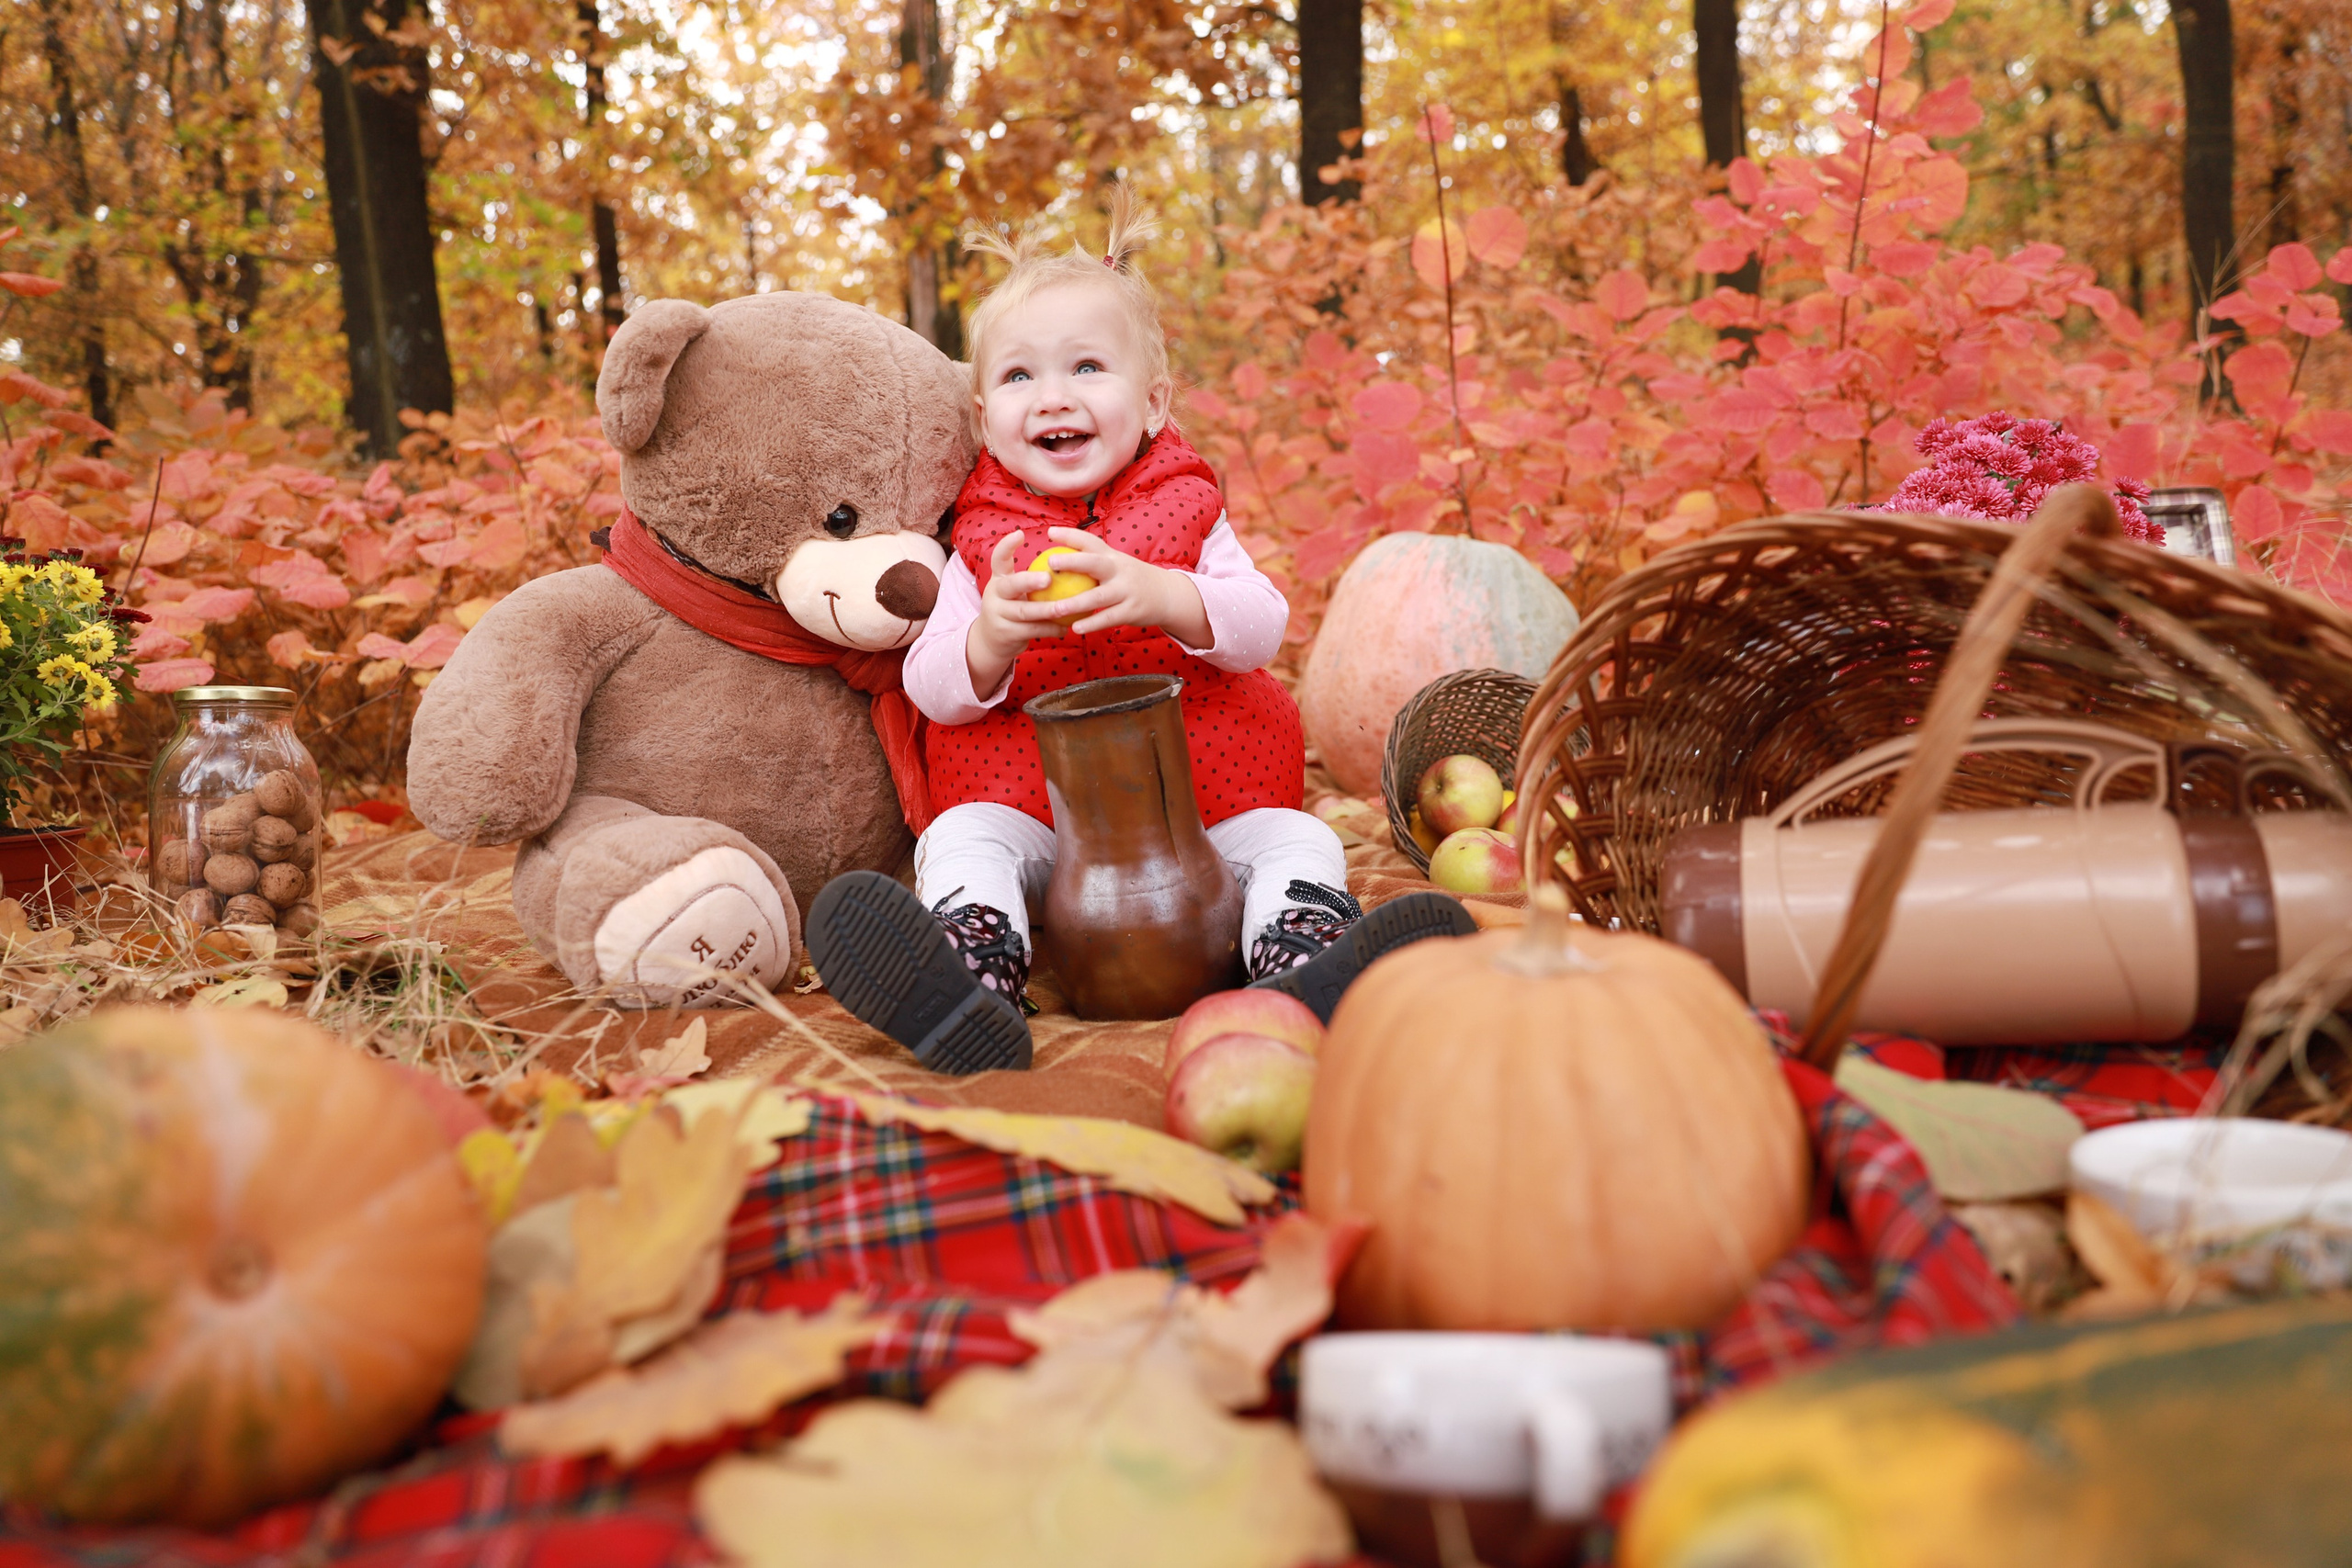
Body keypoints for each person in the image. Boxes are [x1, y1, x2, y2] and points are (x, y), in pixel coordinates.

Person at [805, 187, 1472, 1073]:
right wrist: (992, 635)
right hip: (1047, 824)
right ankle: (970, 971)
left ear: (1154, 403)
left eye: (1086, 368)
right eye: (1018, 376)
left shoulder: (1190, 514)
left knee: (1299, 838)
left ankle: (1304, 960)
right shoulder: (979, 544)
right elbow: (933, 689)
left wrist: (1164, 593)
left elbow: (1260, 626)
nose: (1053, 396)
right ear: (982, 421)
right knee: (961, 839)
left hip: (1200, 815)